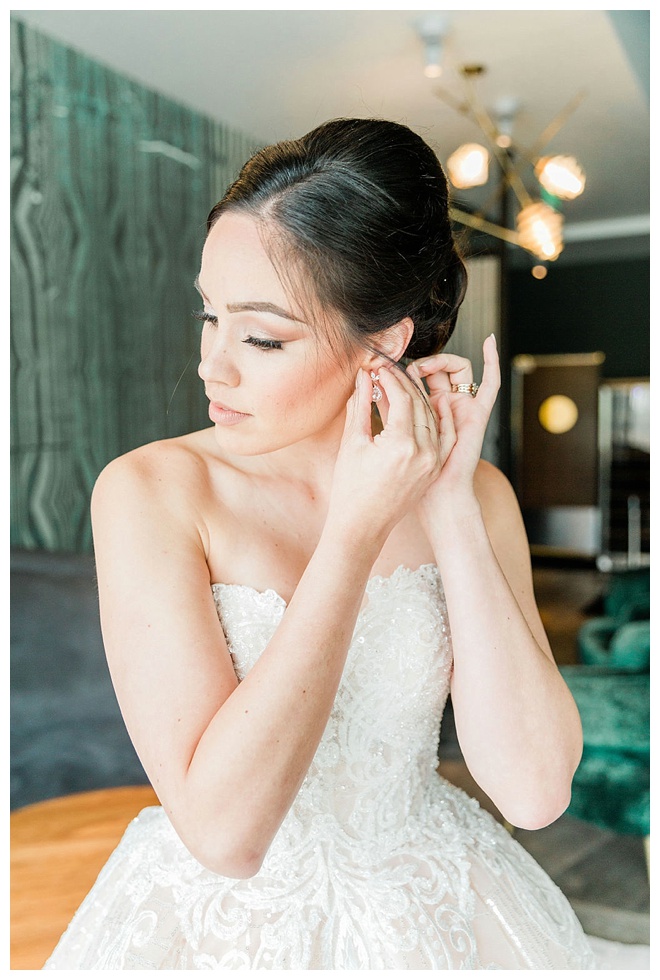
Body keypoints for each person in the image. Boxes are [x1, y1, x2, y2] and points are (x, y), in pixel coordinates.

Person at [43, 118, 597, 970]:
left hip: (434, 907)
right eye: (210, 315)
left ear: (386, 342)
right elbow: (225, 837)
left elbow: (533, 791)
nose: (213, 365)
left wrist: (448, 502)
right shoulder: (151, 492)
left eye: (262, 337)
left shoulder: (475, 495)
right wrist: (354, 533)